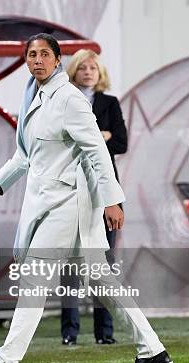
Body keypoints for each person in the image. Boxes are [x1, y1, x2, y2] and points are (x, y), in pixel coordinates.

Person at [0, 33, 174, 363]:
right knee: (103, 281)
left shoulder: (70, 100)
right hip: (55, 204)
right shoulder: (35, 97)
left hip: (68, 206)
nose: (37, 60)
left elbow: (98, 151)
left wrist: (112, 200)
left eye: (45, 54)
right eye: (31, 54)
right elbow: (25, 155)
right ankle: (153, 352)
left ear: (58, 61)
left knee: (33, 278)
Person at [59, 49, 129, 346]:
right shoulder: (64, 100)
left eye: (93, 67)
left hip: (104, 188)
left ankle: (105, 332)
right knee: (71, 264)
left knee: (104, 262)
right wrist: (102, 136)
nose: (88, 72)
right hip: (70, 188)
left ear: (100, 73)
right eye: (83, 67)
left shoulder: (109, 103)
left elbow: (121, 142)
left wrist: (98, 138)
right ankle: (69, 332)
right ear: (73, 70)